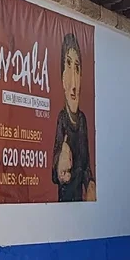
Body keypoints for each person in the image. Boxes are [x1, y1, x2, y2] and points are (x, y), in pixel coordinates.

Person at [50, 32, 94, 202]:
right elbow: (55, 172)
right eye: (68, 65)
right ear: (62, 76)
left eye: (77, 68)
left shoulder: (82, 121)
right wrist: (60, 166)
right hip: (65, 201)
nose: (74, 84)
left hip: (80, 203)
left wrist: (90, 183)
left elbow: (86, 165)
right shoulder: (62, 119)